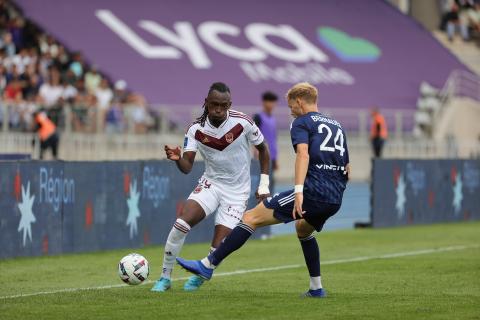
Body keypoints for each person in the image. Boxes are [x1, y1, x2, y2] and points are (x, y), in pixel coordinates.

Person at [176, 82, 350, 298]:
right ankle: (316, 288)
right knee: (303, 230)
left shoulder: (302, 122)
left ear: (298, 101)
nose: (291, 112)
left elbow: (303, 155)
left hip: (312, 193)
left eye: (290, 107)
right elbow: (347, 169)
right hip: (335, 196)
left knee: (251, 217)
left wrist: (299, 192)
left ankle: (208, 264)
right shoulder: (336, 125)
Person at [151, 82, 271, 292]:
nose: (218, 109)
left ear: (229, 104)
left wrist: (263, 183)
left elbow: (263, 149)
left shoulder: (243, 123)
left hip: (237, 192)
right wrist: (178, 158)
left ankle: (201, 275)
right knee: (181, 223)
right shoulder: (195, 129)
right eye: (214, 104)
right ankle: (164, 278)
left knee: (219, 246)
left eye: (223, 105)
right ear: (205, 103)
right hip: (211, 183)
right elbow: (187, 167)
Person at [253, 91, 279, 193]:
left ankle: (268, 206)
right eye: (269, 101)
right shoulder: (258, 117)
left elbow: (273, 139)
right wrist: (256, 152)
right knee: (261, 182)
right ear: (264, 102)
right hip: (262, 156)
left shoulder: (273, 118)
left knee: (271, 182)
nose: (272, 104)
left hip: (272, 156)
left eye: (273, 102)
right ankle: (258, 206)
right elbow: (253, 136)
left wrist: (276, 159)